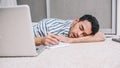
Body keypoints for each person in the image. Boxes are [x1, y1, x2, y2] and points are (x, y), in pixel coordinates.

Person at [32, 14, 105, 46]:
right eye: (81, 28)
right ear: (76, 21)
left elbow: (101, 36)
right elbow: (23, 41)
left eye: (84, 34)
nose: (79, 34)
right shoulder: (49, 26)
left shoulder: (74, 25)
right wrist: (41, 40)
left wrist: (70, 40)